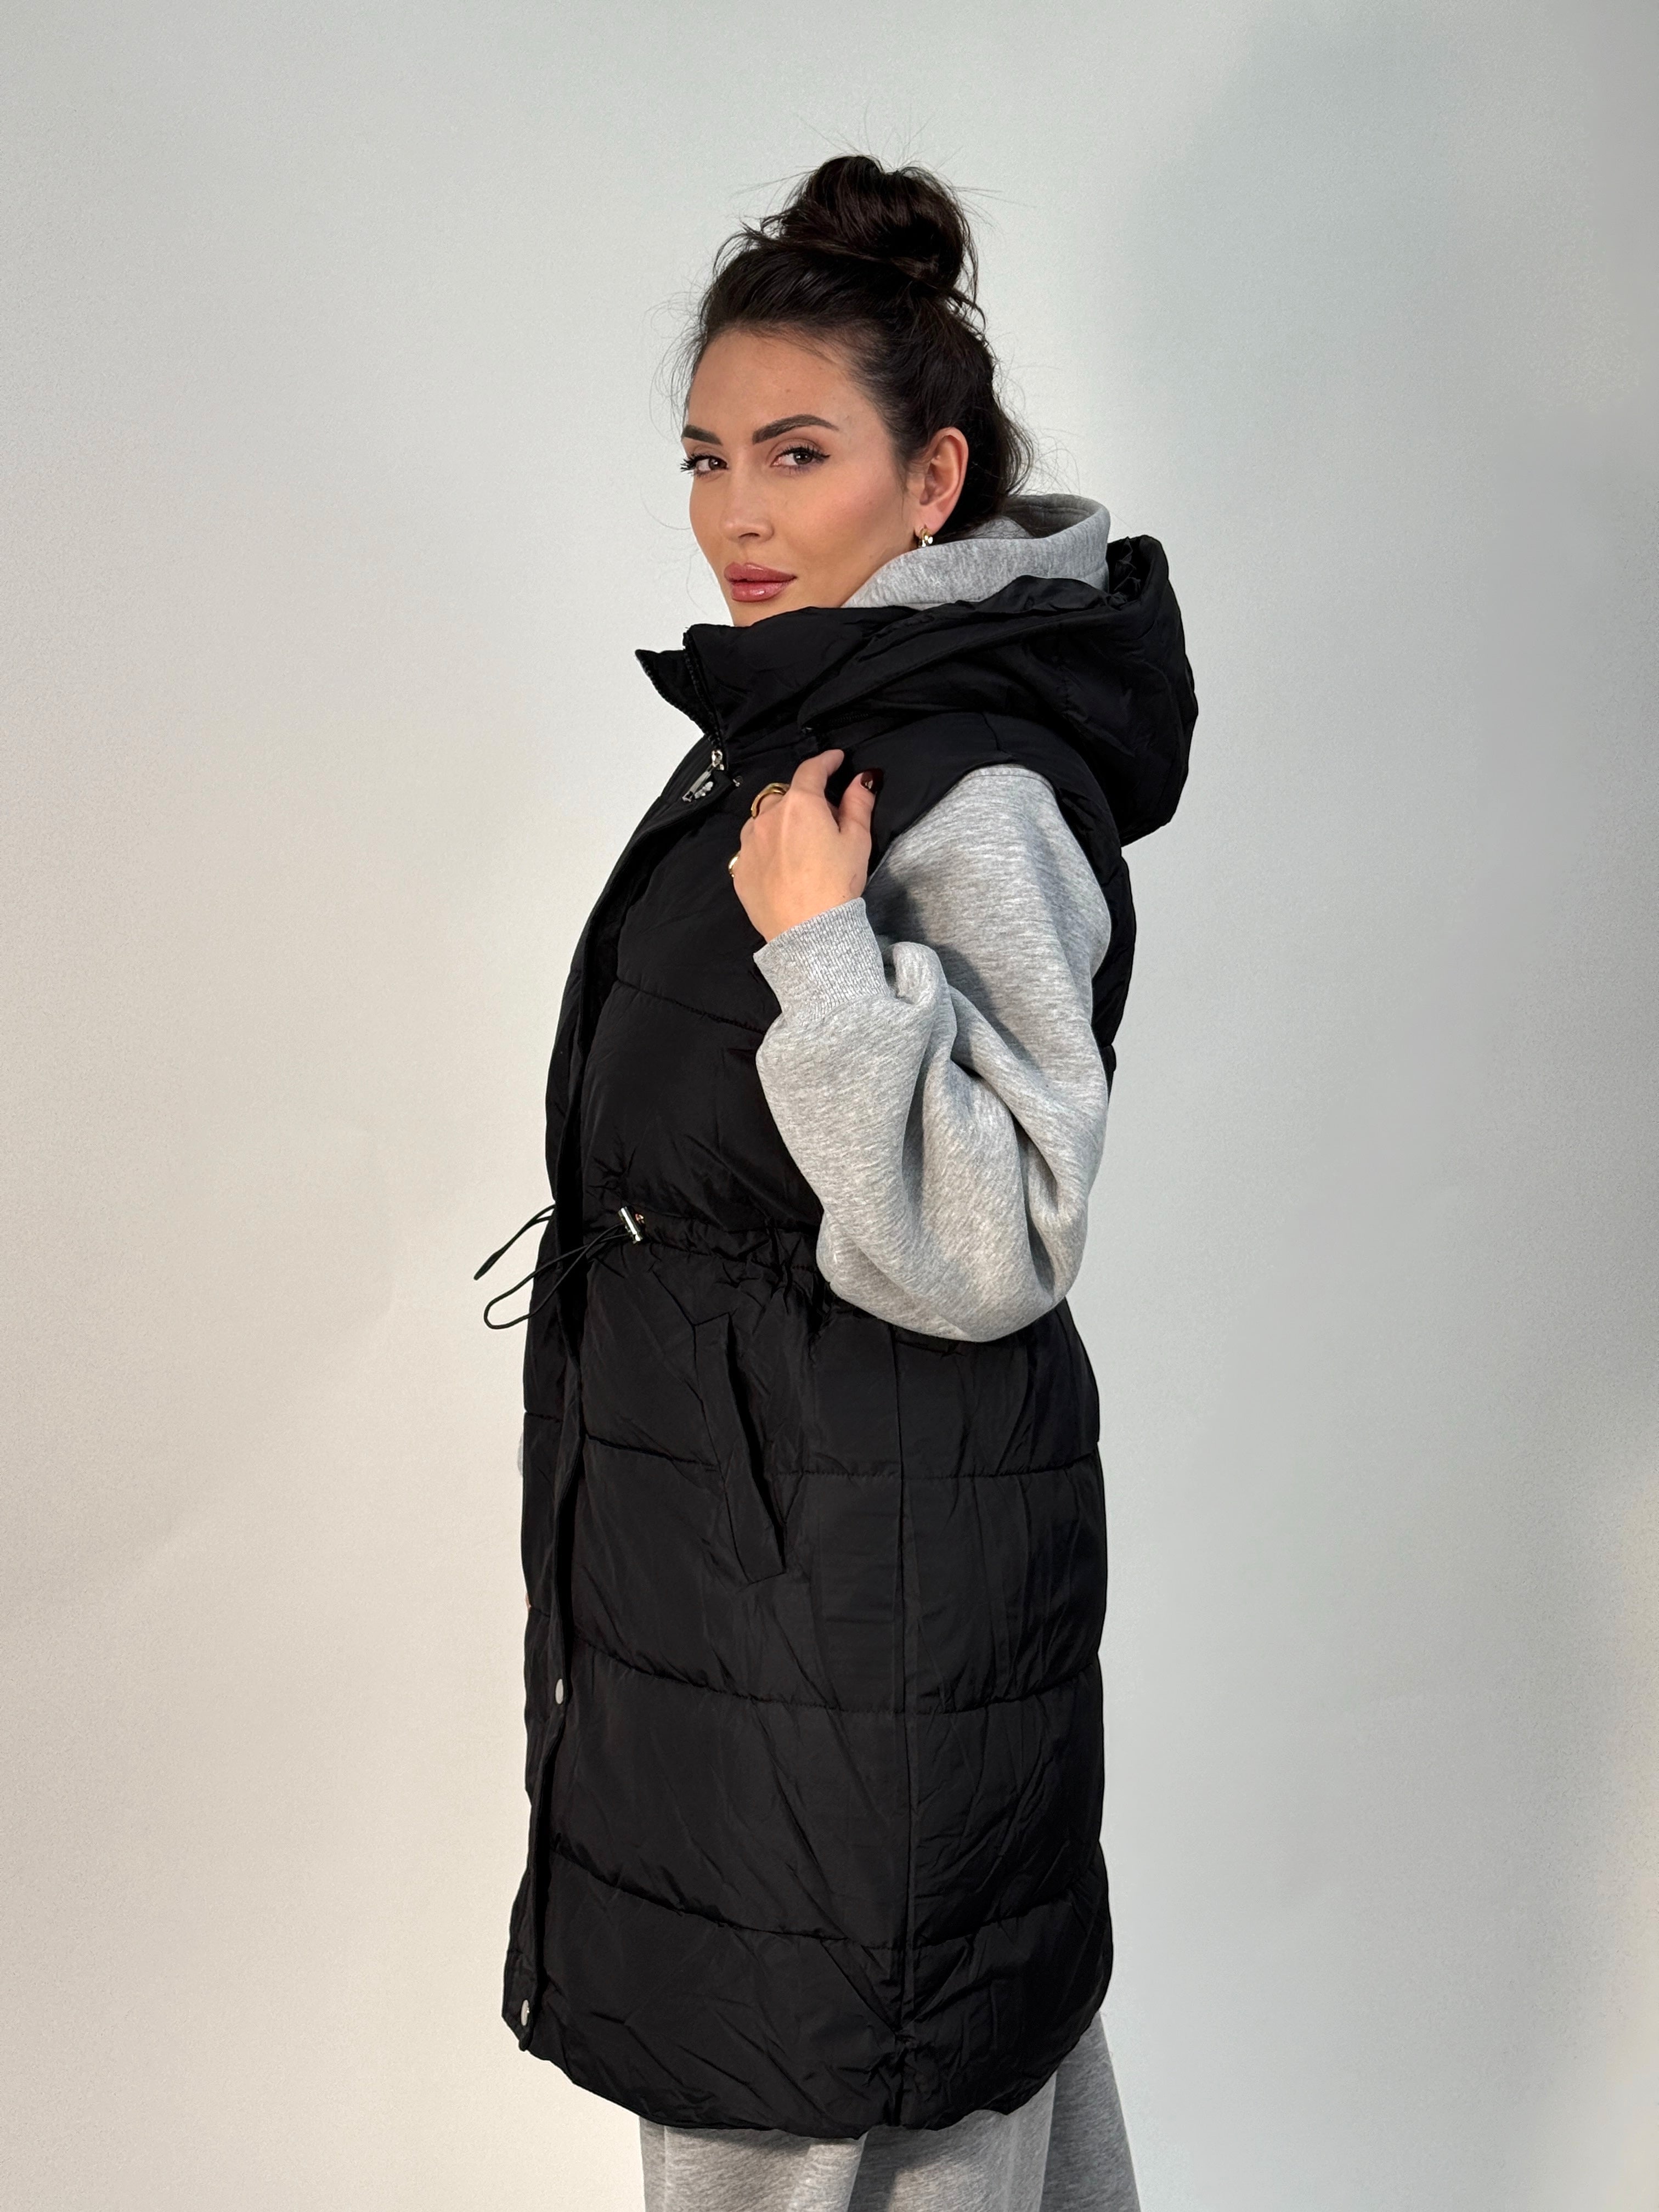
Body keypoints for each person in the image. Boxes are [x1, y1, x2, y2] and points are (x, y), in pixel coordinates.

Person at [484, 153, 1197, 2211]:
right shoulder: (796, 730)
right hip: (758, 1599)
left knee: (851, 2107)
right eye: (708, 460)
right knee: (913, 2100)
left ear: (933, 476)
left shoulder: (974, 790)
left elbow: (999, 1239)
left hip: (857, 1628)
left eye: (798, 455)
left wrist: (821, 954)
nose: (739, 515)